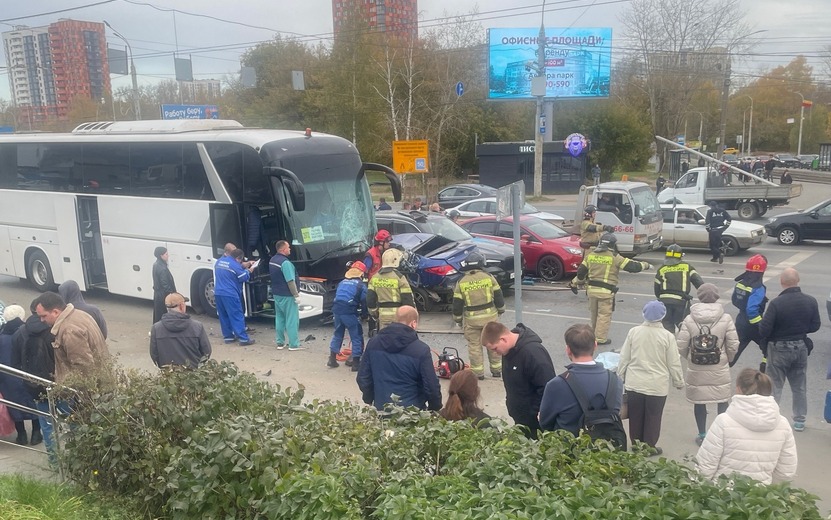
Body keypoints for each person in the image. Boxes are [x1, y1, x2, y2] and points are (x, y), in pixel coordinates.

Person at [33, 291, 110, 464]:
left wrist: (83, 400)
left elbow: (84, 368)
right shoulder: (78, 315)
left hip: (90, 393)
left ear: (55, 312)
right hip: (102, 385)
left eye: (43, 316)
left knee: (90, 435)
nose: (41, 320)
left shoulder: (69, 330)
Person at [695, 368, 797, 485]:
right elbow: (786, 472)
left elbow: (705, 465)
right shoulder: (783, 424)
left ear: (738, 388)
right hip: (760, 497)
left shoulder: (723, 421)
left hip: (723, 496)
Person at [758, 267, 821, 432]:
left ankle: (771, 418)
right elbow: (815, 326)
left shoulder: (776, 303)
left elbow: (764, 330)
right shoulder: (810, 300)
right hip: (800, 347)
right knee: (799, 386)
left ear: (781, 282)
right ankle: (799, 421)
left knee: (775, 385)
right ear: (797, 281)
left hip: (778, 349)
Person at [617, 301, 684, 453]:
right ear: (663, 316)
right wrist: (678, 381)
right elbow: (674, 362)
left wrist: (619, 375)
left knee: (635, 416)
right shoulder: (667, 336)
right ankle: (649, 447)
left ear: (644, 314)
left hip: (634, 383)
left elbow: (624, 357)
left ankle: (636, 445)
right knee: (653, 417)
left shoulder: (634, 332)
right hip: (657, 385)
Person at [677, 283, 739, 446]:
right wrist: (728, 359)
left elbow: (681, 345)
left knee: (700, 401)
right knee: (722, 399)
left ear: (699, 296)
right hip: (719, 364)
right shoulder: (726, 318)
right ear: (717, 297)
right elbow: (733, 344)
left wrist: (690, 357)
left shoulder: (689, 319)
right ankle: (720, 435)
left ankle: (702, 434)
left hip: (697, 366)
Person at [539, 323, 623, 437]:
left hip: (568, 450)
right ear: (595, 345)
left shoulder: (556, 385)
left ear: (568, 350)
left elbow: (545, 423)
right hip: (606, 450)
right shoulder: (615, 381)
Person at [571, 233, 651, 345]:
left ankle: (593, 335)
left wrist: (578, 283)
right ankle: (600, 339)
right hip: (606, 292)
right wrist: (645, 265)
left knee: (594, 315)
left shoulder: (591, 255)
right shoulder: (614, 257)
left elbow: (581, 271)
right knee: (604, 316)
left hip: (591, 291)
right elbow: (632, 267)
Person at [357, 306, 442, 411]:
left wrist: (371, 399)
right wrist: (434, 408)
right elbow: (431, 386)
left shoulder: (373, 343)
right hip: (412, 413)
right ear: (413, 323)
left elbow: (363, 377)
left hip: (382, 409)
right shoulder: (421, 350)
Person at [481, 321, 556, 439]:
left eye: (495, 348)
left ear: (503, 339)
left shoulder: (533, 353)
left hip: (536, 425)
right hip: (521, 420)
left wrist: (536, 413)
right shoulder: (508, 352)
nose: (495, 353)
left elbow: (549, 388)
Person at [452, 252, 505, 380]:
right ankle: (497, 370)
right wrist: (501, 309)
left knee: (474, 346)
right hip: (490, 317)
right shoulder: (489, 277)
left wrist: (458, 319)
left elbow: (457, 304)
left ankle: (478, 373)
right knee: (493, 343)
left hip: (472, 321)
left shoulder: (462, 281)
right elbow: (498, 295)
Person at [11, 300, 54, 450]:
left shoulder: (18, 333)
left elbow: (14, 363)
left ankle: (54, 459)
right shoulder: (52, 330)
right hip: (54, 382)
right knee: (70, 418)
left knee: (46, 422)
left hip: (33, 385)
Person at [0, 305, 41, 445]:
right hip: (28, 374)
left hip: (8, 379)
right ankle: (36, 433)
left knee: (15, 405)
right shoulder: (28, 332)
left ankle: (22, 436)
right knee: (34, 402)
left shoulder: (1, 336)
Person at [149, 292, 212, 369]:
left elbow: (154, 355)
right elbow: (206, 352)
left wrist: (165, 368)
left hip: (169, 376)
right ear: (182, 306)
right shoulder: (197, 327)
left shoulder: (156, 328)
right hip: (194, 375)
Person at [327, 261, 368, 371]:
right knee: (356, 336)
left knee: (338, 334)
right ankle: (355, 364)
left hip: (337, 310)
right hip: (349, 312)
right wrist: (365, 315)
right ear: (362, 273)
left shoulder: (342, 282)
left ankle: (332, 359)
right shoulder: (361, 286)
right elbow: (364, 302)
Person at [654, 245, 704, 333]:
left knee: (667, 327)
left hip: (664, 302)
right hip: (681, 302)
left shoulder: (662, 269)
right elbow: (699, 283)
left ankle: (669, 343)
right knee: (684, 328)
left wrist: (662, 298)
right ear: (681, 256)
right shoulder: (687, 267)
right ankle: (682, 345)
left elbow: (657, 289)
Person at [730, 255, 768, 368]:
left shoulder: (740, 283)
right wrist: (760, 324)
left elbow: (735, 301)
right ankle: (764, 369)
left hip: (741, 322)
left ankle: (722, 370)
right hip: (753, 325)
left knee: (734, 350)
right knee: (767, 346)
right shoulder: (758, 287)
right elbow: (752, 309)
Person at [214, 248, 256, 346]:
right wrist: (249, 270)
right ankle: (244, 339)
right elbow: (243, 277)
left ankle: (228, 337)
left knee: (223, 316)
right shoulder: (235, 265)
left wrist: (243, 265)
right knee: (236, 315)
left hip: (218, 293)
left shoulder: (220, 261)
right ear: (238, 258)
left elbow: (232, 268)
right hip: (230, 294)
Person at [367, 248, 414, 331]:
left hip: (382, 316)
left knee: (384, 341)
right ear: (395, 261)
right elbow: (408, 299)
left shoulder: (374, 278)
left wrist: (374, 313)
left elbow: (370, 300)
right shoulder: (400, 278)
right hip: (398, 316)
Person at [269, 240, 301, 350]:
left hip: (277, 294)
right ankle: (293, 344)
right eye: (288, 247)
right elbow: (290, 281)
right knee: (292, 320)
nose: (290, 249)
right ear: (283, 249)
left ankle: (280, 343)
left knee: (280, 319)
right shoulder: (285, 263)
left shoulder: (272, 260)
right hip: (288, 295)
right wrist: (296, 295)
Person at [151, 246, 176, 325]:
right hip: (163, 295)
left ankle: (156, 330)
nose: (167, 256)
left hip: (158, 294)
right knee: (163, 315)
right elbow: (165, 284)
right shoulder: (162, 268)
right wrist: (172, 294)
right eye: (166, 254)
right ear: (161, 256)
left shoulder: (156, 264)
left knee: (158, 315)